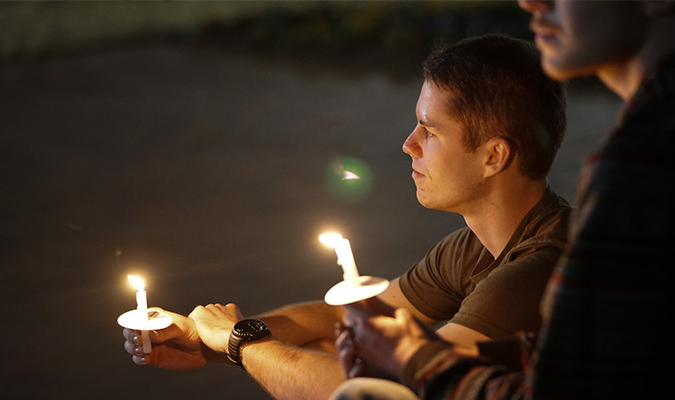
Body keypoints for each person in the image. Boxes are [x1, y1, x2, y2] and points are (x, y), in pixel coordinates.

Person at [122, 34, 569, 400]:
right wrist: (202, 341)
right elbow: (342, 323)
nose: (408, 144)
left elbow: (393, 388)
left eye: (429, 132)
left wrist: (240, 342)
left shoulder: (536, 271)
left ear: (494, 156)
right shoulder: (473, 247)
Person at [332, 2, 675, 400]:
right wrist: (449, 353)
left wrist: (414, 357)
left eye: (430, 131)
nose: (530, 1)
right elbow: (614, 352)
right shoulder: (644, 141)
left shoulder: (647, 158)